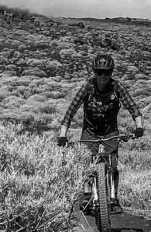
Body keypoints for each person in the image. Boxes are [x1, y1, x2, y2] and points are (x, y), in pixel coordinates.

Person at [58, 54, 145, 214]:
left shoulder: (117, 87)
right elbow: (70, 112)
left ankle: (114, 198)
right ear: (94, 72)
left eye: (107, 73)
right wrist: (62, 136)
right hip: (90, 131)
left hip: (110, 131)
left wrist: (139, 127)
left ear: (111, 73)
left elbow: (133, 108)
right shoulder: (88, 88)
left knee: (112, 165)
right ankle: (87, 194)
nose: (103, 76)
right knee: (86, 163)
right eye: (99, 72)